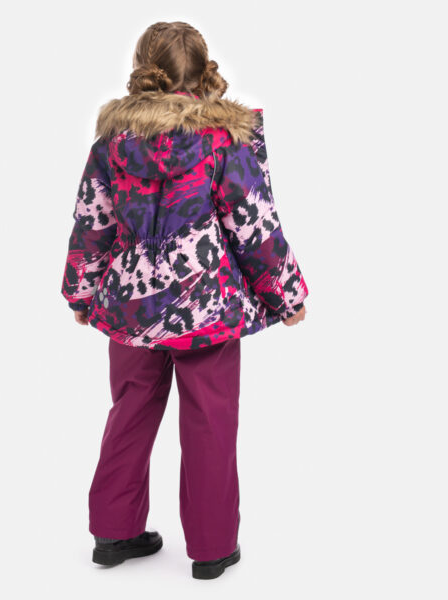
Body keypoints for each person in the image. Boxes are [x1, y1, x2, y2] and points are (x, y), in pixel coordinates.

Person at [60, 21, 309, 579]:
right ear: (202, 72)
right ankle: (212, 547)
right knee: (210, 421)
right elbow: (254, 226)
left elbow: (92, 222)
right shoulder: (222, 142)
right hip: (205, 310)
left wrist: (82, 290)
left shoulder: (112, 143)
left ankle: (114, 533)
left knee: (130, 409)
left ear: (142, 70)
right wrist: (286, 294)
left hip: (130, 309)